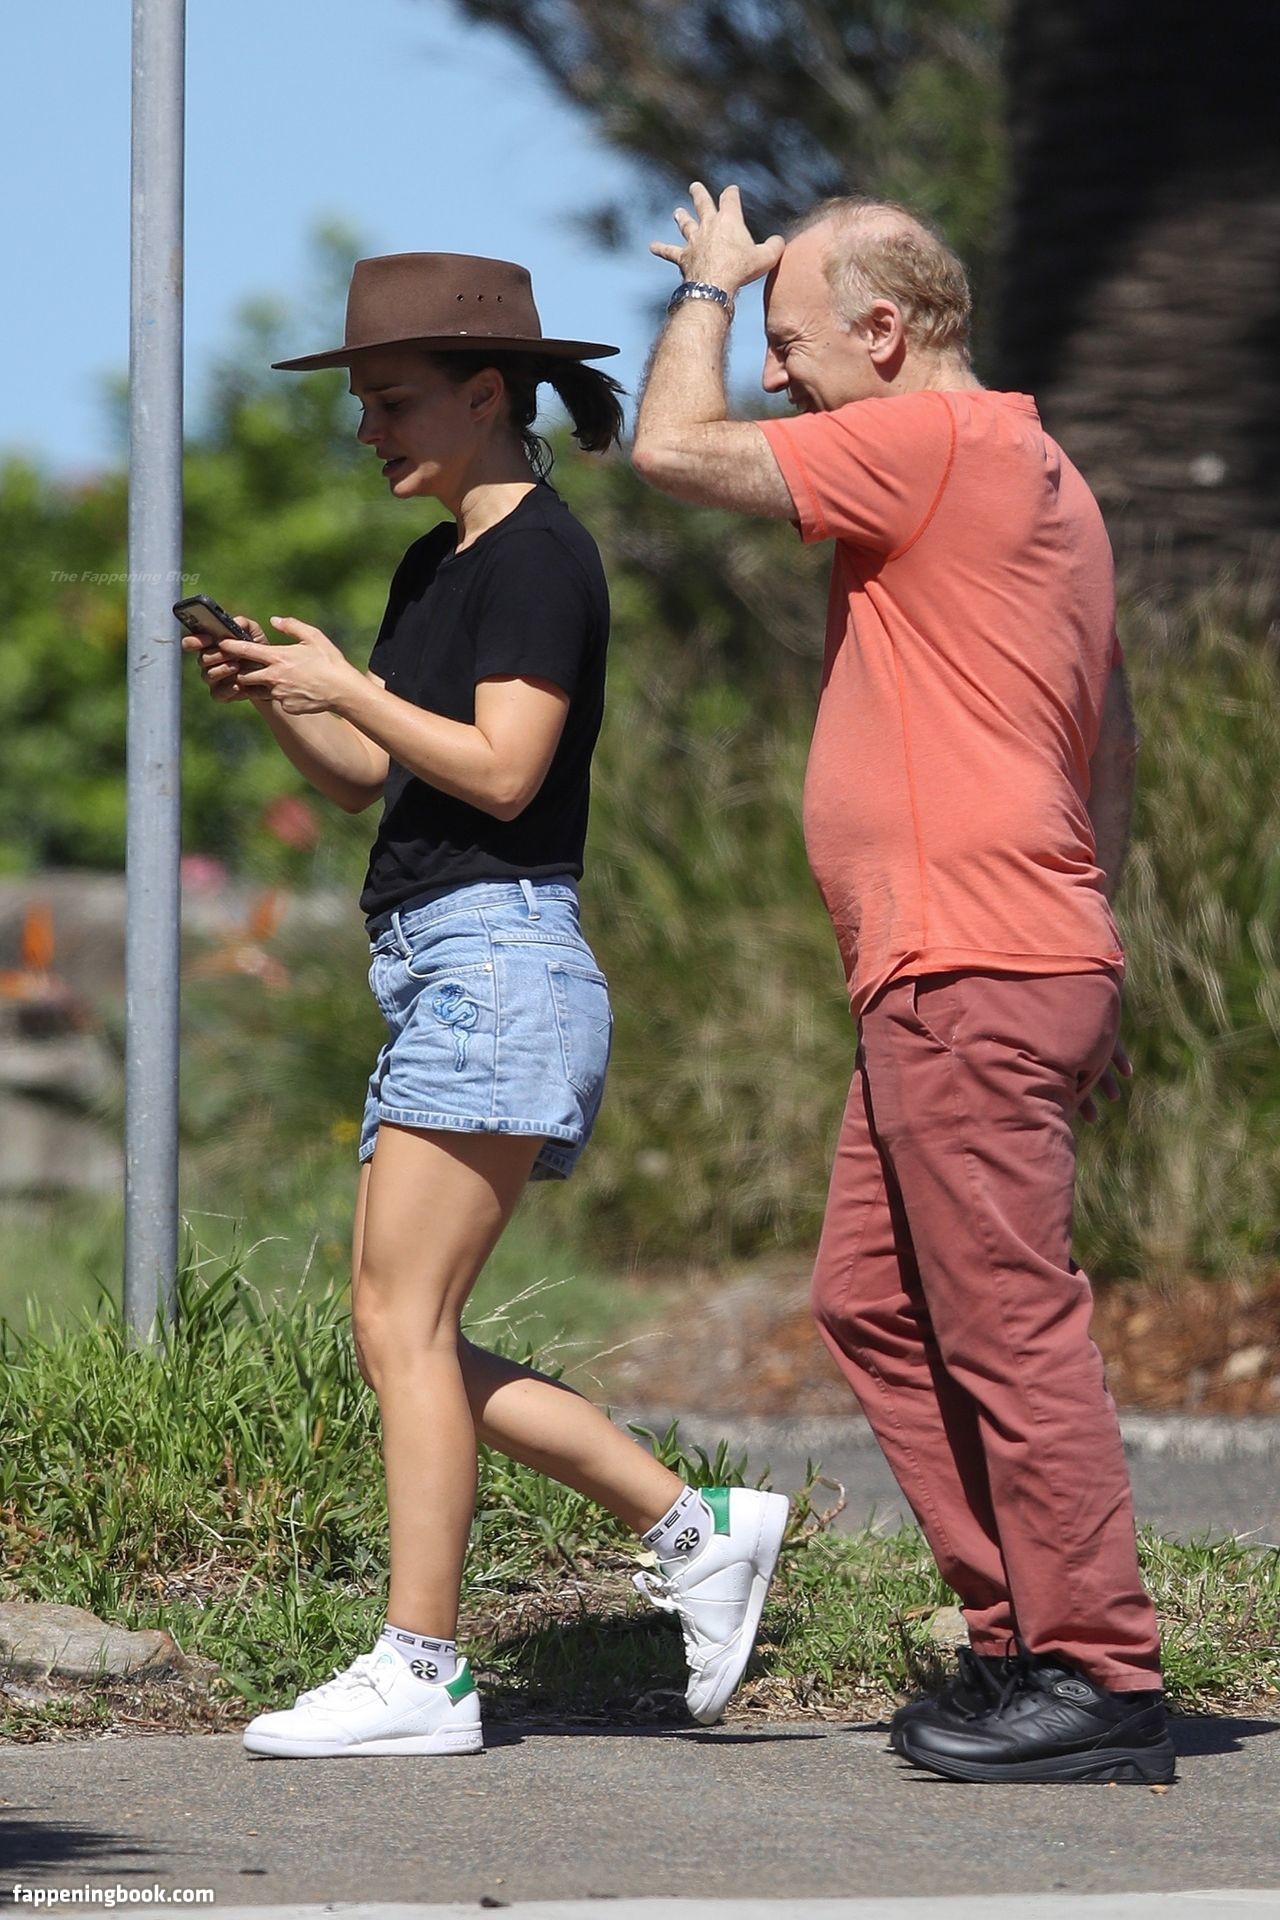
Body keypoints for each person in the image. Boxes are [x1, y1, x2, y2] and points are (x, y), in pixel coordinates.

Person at [183, 251, 788, 1758]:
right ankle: (692, 1527)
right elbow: (377, 779)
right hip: (444, 964)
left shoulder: (540, 560)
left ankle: (425, 1668)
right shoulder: (436, 565)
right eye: (364, 403)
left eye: (391, 402)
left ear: (484, 394)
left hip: (497, 961)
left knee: (404, 1324)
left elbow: (507, 772)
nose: (368, 429)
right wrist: (288, 700)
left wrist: (352, 689)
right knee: (406, 1331)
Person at [631, 190, 1174, 1785]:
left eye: (792, 342)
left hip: (972, 962)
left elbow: (671, 449)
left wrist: (712, 290)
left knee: (1007, 1321)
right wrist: (1090, 936)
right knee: (871, 1298)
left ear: (884, 330)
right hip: (992, 957)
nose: (777, 376)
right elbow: (1112, 746)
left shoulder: (932, 441)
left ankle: (1098, 1672)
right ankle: (1020, 1637)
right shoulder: (1038, 472)